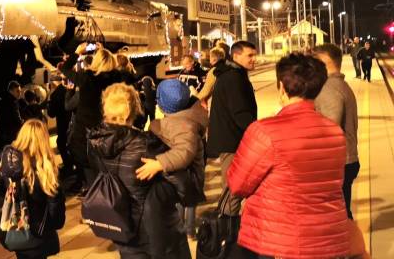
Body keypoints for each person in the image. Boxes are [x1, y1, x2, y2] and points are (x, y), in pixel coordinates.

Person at [227, 53, 348, 258]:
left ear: (282, 87)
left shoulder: (264, 131)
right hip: (326, 239)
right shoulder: (335, 132)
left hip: (278, 242)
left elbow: (238, 184)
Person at [88, 83, 191, 258]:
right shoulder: (146, 143)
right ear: (132, 110)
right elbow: (184, 186)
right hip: (155, 229)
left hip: (121, 224)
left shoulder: (94, 142)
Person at [135, 79, 208, 239]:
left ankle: (187, 230)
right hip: (181, 177)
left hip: (189, 178)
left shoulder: (184, 125)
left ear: (161, 105)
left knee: (187, 203)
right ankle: (184, 229)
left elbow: (184, 152)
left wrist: (160, 163)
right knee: (185, 204)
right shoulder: (185, 118)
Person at [0, 119, 66, 259]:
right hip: (39, 232)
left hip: (16, 227)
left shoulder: (8, 162)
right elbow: (55, 210)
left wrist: (13, 199)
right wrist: (53, 225)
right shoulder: (44, 169)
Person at [61, 43, 124, 186]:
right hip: (110, 133)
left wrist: (77, 52)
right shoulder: (117, 78)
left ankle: (95, 200)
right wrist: (103, 51)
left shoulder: (86, 78)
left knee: (91, 177)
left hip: (86, 136)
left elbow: (64, 68)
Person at [206, 40, 258, 216]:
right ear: (236, 56)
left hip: (231, 140)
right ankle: (228, 230)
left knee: (232, 186)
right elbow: (240, 113)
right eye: (249, 55)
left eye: (254, 55)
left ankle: (228, 224)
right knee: (232, 188)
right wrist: (258, 133)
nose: (254, 59)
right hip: (232, 142)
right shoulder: (234, 78)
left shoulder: (233, 74)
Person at [314, 44, 360, 219]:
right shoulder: (341, 85)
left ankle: (349, 245)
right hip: (346, 160)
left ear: (324, 64)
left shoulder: (328, 89)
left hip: (336, 163)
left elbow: (328, 130)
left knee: (336, 216)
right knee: (342, 212)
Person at [46, 74, 72, 176]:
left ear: (52, 83)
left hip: (62, 123)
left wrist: (49, 100)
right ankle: (70, 163)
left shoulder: (54, 95)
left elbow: (51, 114)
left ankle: (68, 166)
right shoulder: (67, 90)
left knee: (61, 143)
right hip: (71, 122)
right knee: (69, 143)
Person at [0, 80, 23, 150]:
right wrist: (22, 123)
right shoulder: (12, 103)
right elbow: (17, 119)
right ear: (11, 91)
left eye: (20, 91)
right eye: (17, 91)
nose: (20, 94)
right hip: (10, 134)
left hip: (0, 133)